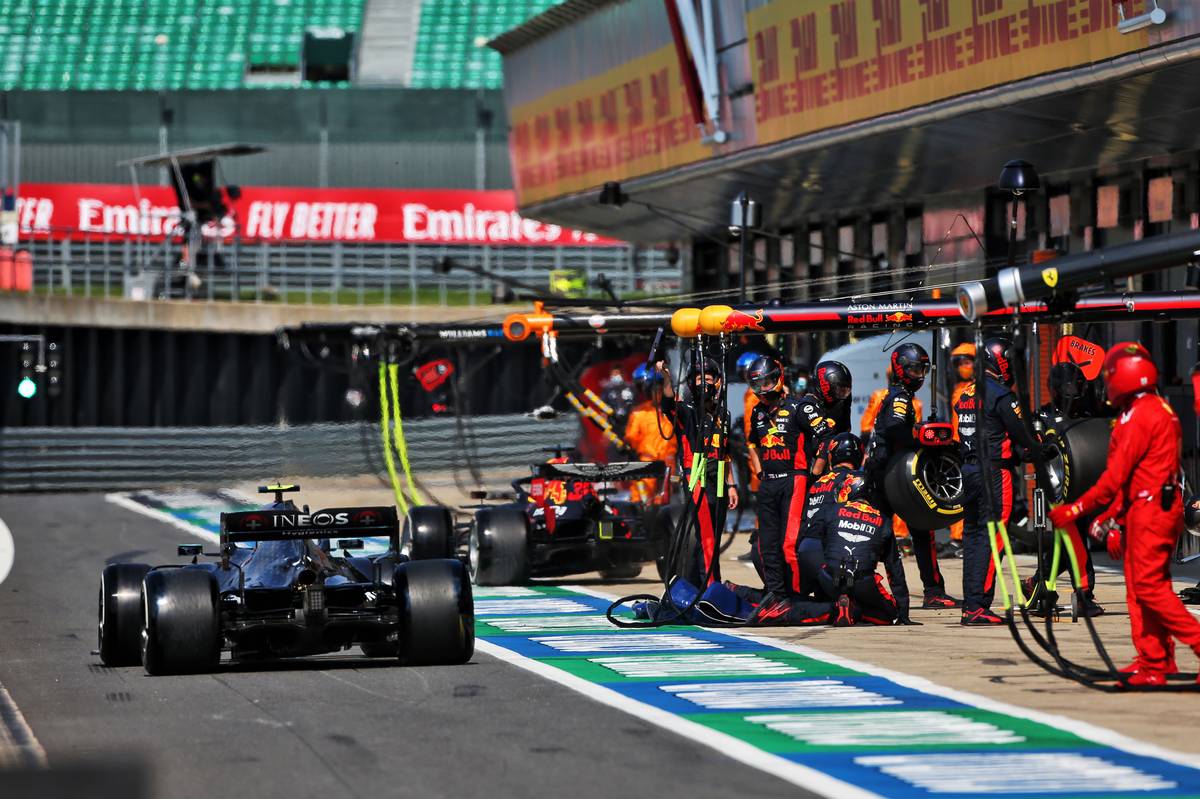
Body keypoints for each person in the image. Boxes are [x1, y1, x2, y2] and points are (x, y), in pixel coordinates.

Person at [1050, 342, 1200, 687]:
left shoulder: (1141, 416)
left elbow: (1114, 477)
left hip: (1152, 510)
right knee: (1139, 589)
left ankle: (1186, 648)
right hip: (1145, 508)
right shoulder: (1147, 410)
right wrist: (1112, 518)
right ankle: (1153, 662)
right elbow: (1130, 478)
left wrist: (1076, 509)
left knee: (1150, 588)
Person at [954, 338, 1042, 625]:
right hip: (993, 472)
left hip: (967, 471)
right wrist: (1038, 445)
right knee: (993, 538)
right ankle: (979, 605)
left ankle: (971, 603)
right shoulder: (1002, 395)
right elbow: (1023, 434)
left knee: (973, 537)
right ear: (999, 360)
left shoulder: (966, 393)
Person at [866, 343, 959, 609]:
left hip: (894, 473)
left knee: (921, 528)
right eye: (915, 369)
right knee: (879, 534)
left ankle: (933, 590)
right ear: (901, 369)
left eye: (922, 369)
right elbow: (896, 428)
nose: (920, 375)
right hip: (886, 476)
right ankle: (862, 585)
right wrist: (923, 435)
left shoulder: (901, 394)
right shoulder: (899, 397)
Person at [744, 355, 831, 597]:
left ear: (778, 379)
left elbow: (826, 436)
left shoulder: (800, 406)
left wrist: (815, 471)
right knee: (765, 545)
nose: (762, 389)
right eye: (757, 383)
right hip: (768, 482)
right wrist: (759, 469)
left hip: (794, 479)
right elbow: (751, 443)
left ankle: (795, 597)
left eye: (767, 382)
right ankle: (776, 593)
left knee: (788, 544)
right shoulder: (758, 412)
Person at [657, 356, 738, 587]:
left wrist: (731, 485)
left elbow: (726, 453)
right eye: (699, 379)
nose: (704, 383)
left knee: (715, 533)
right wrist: (666, 377)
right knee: (706, 534)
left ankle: (706, 580)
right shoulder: (687, 410)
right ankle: (710, 584)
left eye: (708, 379)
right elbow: (668, 402)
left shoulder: (724, 415)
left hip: (720, 476)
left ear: (718, 383)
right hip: (697, 474)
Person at [807, 471, 914, 626]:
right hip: (863, 582)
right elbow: (894, 568)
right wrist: (903, 612)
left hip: (828, 578)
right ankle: (853, 609)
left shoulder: (830, 510)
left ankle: (835, 605)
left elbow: (812, 544)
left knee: (821, 557)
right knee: (889, 614)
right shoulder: (883, 520)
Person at [862, 365, 922, 550]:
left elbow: (866, 426)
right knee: (903, 496)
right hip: (903, 455)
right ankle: (900, 537)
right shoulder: (914, 401)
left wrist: (867, 451)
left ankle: (884, 536)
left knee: (883, 500)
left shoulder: (880, 396)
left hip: (885, 455)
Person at [797, 431, 864, 596]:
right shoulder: (856, 479)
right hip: (830, 554)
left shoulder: (817, 483)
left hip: (804, 553)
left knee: (822, 601)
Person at [624, 364, 676, 505]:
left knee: (667, 499)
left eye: (658, 390)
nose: (655, 393)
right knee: (641, 499)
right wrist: (627, 446)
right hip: (646, 462)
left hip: (669, 462)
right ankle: (643, 519)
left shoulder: (673, 410)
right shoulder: (639, 412)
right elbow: (631, 438)